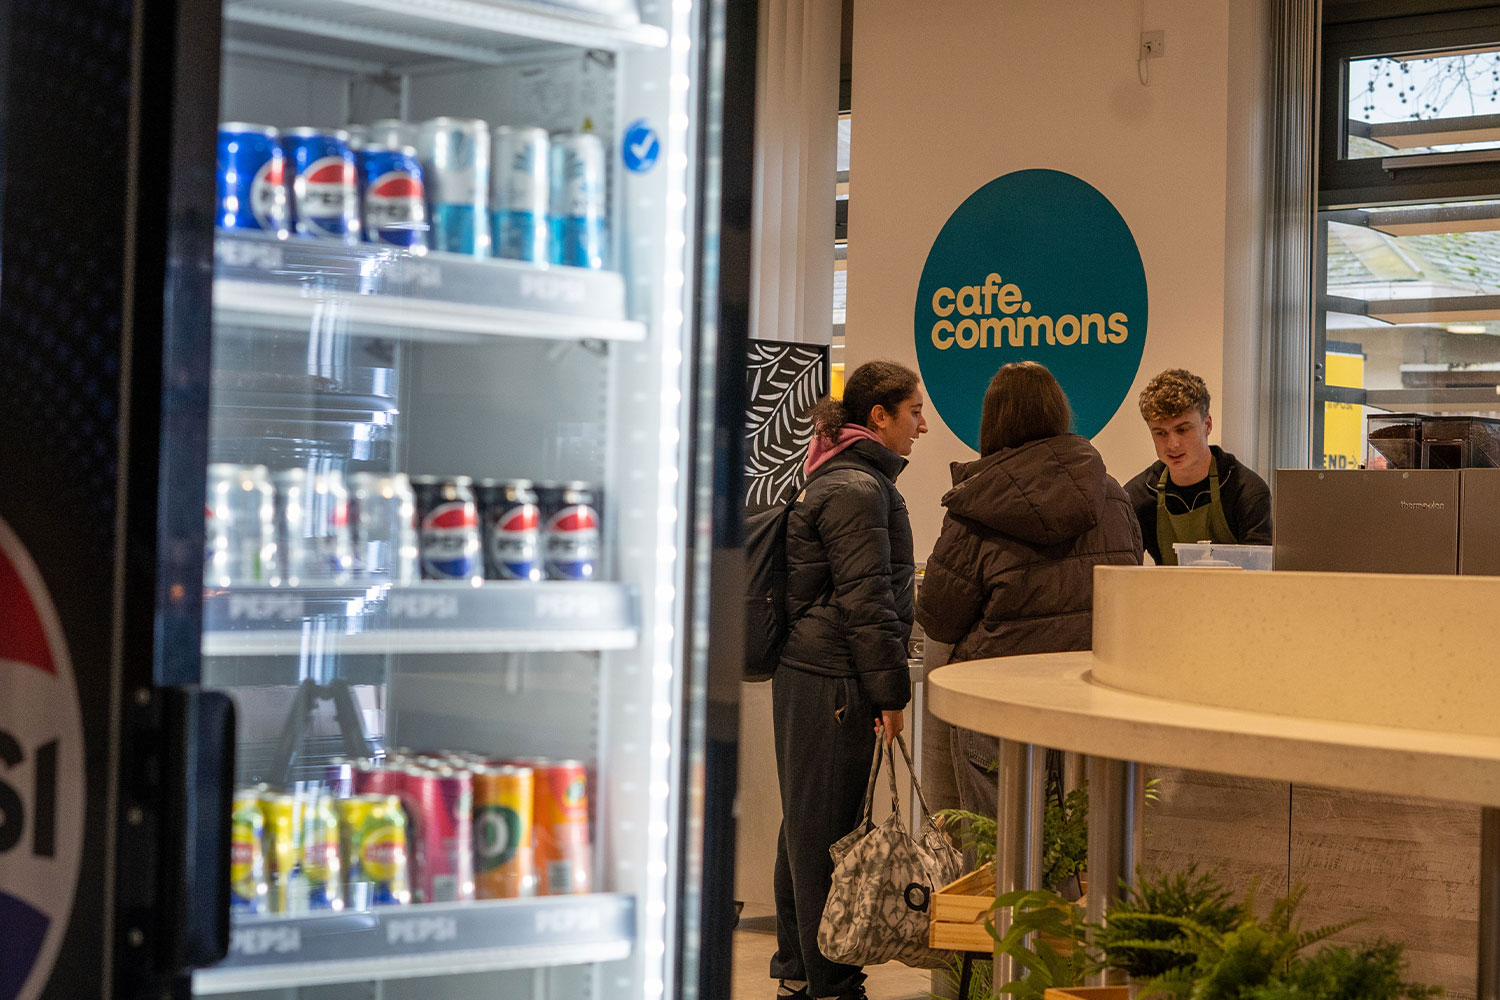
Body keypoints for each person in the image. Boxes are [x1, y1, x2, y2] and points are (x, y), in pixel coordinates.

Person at [915, 361, 1142, 819]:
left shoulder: (975, 505)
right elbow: (1130, 585)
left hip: (996, 704)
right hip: (1088, 702)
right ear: (1058, 412)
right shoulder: (1114, 497)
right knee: (1081, 848)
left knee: (999, 851)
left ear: (991, 422)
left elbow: (938, 616)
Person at [771, 359, 927, 1000]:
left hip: (816, 673)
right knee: (825, 835)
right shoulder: (860, 489)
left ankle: (800, 972)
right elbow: (868, 602)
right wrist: (890, 694)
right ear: (879, 416)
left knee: (806, 827)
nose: (922, 425)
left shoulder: (836, 477)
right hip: (834, 677)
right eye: (914, 411)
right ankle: (831, 985)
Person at [1123, 369, 1272, 565]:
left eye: (1183, 430)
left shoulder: (1247, 491)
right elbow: (1122, 572)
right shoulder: (1138, 496)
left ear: (1207, 425)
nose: (1172, 444)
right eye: (1160, 433)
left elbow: (1261, 573)